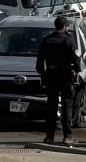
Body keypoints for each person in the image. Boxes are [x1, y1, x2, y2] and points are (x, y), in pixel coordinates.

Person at [35, 16, 81, 145]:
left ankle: (49, 136)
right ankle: (67, 136)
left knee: (51, 106)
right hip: (65, 75)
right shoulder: (68, 40)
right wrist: (77, 69)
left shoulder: (47, 40)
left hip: (51, 75)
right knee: (67, 105)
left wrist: (43, 73)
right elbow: (75, 58)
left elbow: (39, 61)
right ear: (65, 26)